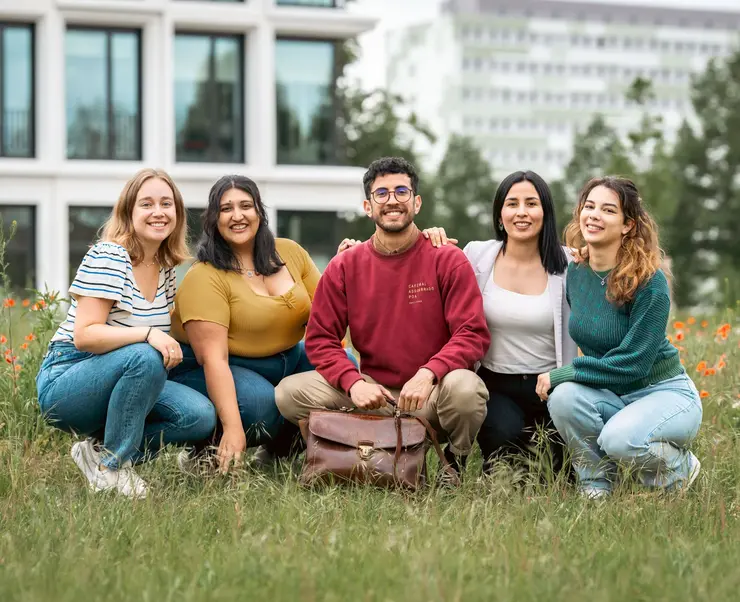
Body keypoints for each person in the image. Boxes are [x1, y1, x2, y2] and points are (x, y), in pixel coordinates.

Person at [275, 157, 491, 481]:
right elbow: (320, 340)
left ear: (416, 202)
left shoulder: (447, 258)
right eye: (382, 193)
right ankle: (342, 450)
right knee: (288, 393)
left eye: (401, 191)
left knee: (466, 390)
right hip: (373, 395)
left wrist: (430, 373)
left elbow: (471, 332)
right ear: (367, 205)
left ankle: (453, 462)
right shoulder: (345, 265)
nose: (392, 200)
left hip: (429, 394)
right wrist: (354, 383)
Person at [36, 168, 217, 499]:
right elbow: (85, 335)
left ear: (177, 212)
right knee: (146, 355)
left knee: (197, 416)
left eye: (166, 203)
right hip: (68, 379)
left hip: (125, 374)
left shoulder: (164, 268)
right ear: (129, 212)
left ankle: (98, 451)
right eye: (146, 204)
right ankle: (113, 468)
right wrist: (147, 333)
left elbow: (174, 331)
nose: (158, 212)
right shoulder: (111, 255)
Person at [168, 175, 358, 474]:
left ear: (259, 211)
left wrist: (342, 272)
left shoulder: (290, 252)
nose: (238, 215)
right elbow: (214, 359)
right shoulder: (204, 276)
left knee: (345, 366)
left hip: (286, 356)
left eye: (246, 205)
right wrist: (232, 427)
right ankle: (207, 449)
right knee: (261, 407)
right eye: (226, 208)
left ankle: (279, 452)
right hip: (220, 364)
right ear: (213, 219)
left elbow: (324, 317)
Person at [536, 176, 702, 498]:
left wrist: (566, 371)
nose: (594, 215)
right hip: (614, 395)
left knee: (619, 440)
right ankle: (597, 484)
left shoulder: (649, 282)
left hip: (664, 393)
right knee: (564, 398)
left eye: (608, 210)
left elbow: (634, 363)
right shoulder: (577, 273)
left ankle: (679, 472)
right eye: (589, 207)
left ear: (627, 225)